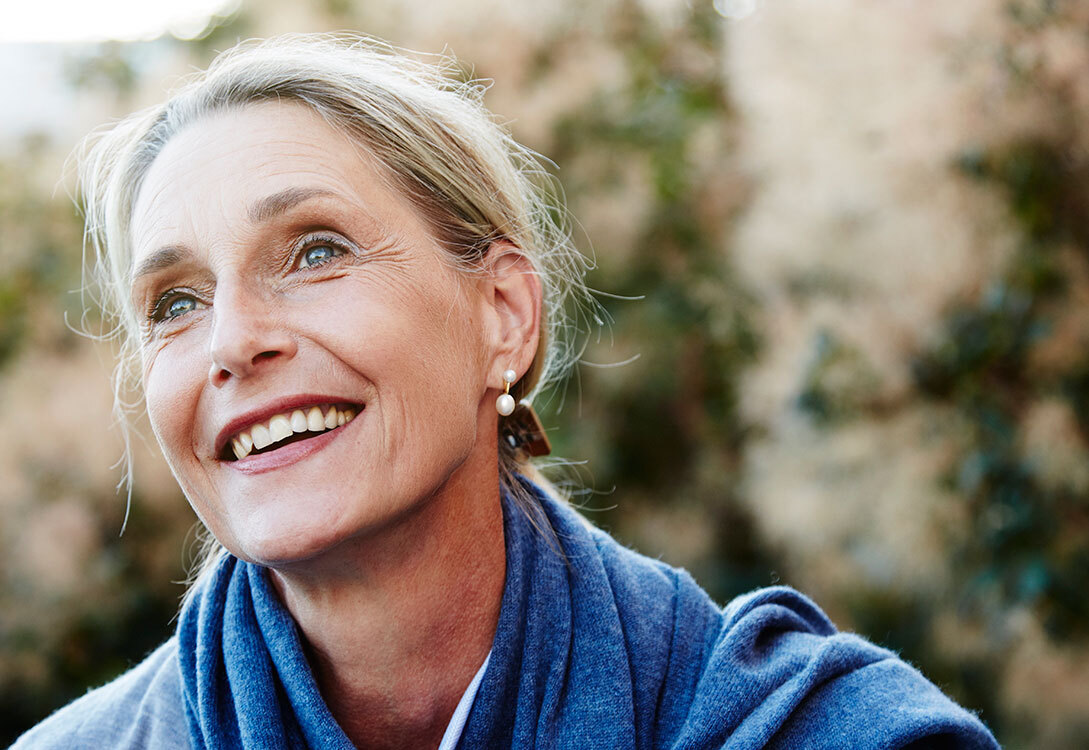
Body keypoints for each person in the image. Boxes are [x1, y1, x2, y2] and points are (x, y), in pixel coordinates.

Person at [14, 33, 999, 750]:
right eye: (176, 303)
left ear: (503, 316)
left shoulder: (821, 729)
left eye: (315, 251)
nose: (231, 341)